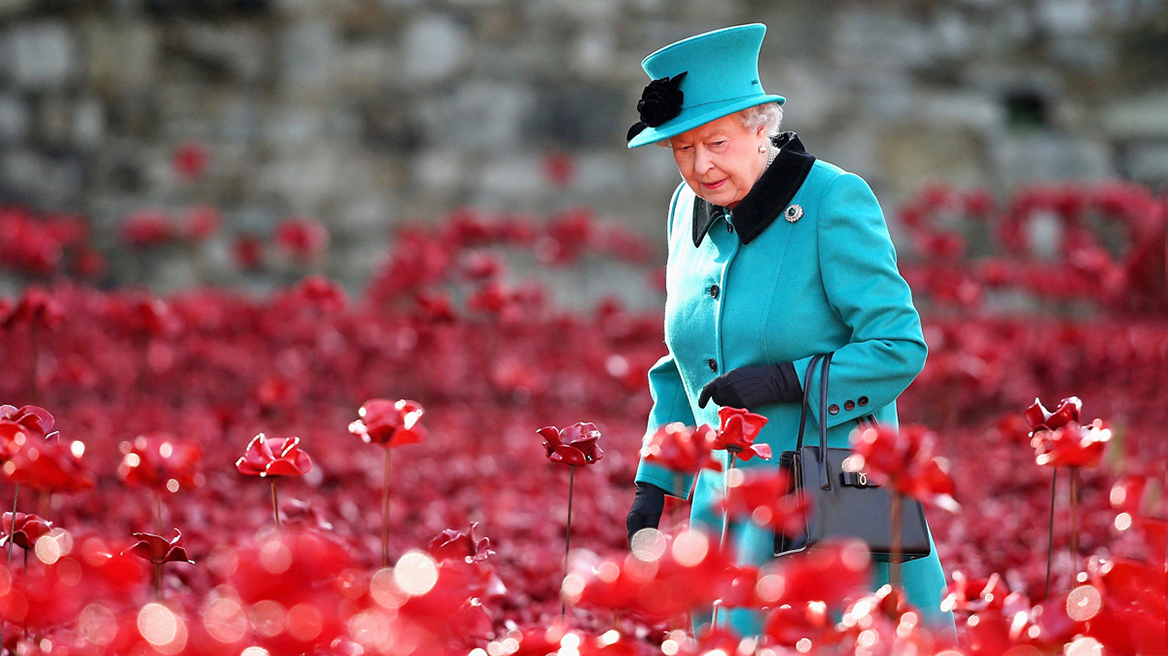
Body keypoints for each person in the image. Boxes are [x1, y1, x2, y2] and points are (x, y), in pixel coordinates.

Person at [622, 23, 954, 636]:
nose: (701, 165)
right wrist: (654, 476)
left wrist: (788, 379)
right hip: (720, 513)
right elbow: (684, 364)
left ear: (759, 126)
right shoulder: (682, 210)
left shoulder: (833, 200)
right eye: (682, 149)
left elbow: (900, 347)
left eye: (716, 142)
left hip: (826, 499)